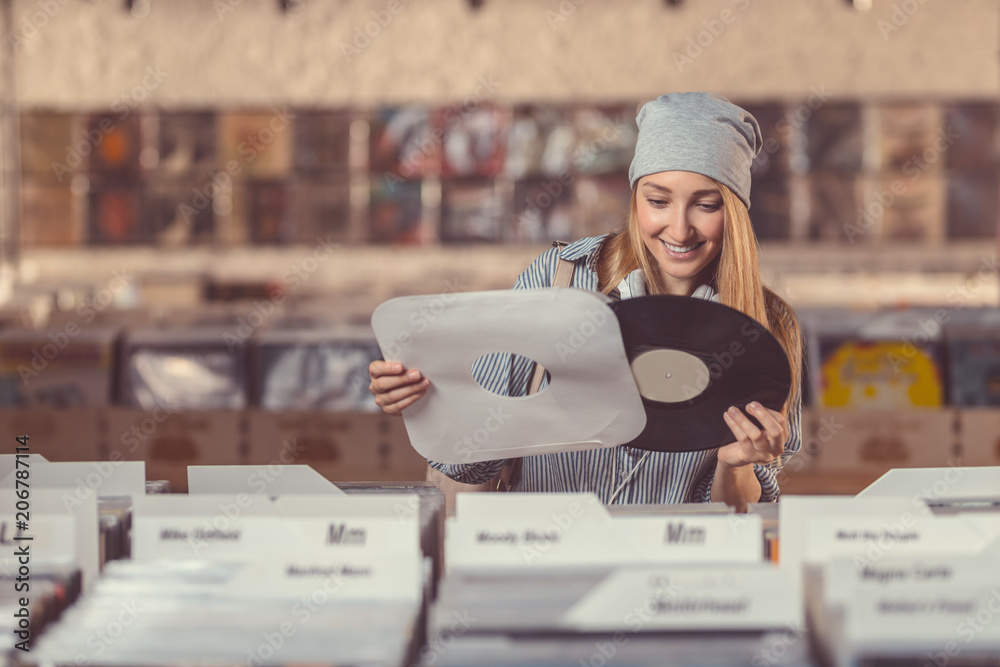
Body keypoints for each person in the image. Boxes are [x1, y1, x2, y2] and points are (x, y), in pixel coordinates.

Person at [368, 92, 802, 512]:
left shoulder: (769, 328)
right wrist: (426, 402)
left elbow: (735, 520)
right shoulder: (558, 278)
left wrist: (736, 464)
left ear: (737, 212)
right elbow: (474, 461)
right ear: (634, 200)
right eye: (658, 201)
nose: (679, 228)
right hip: (540, 559)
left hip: (667, 569)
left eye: (706, 205)